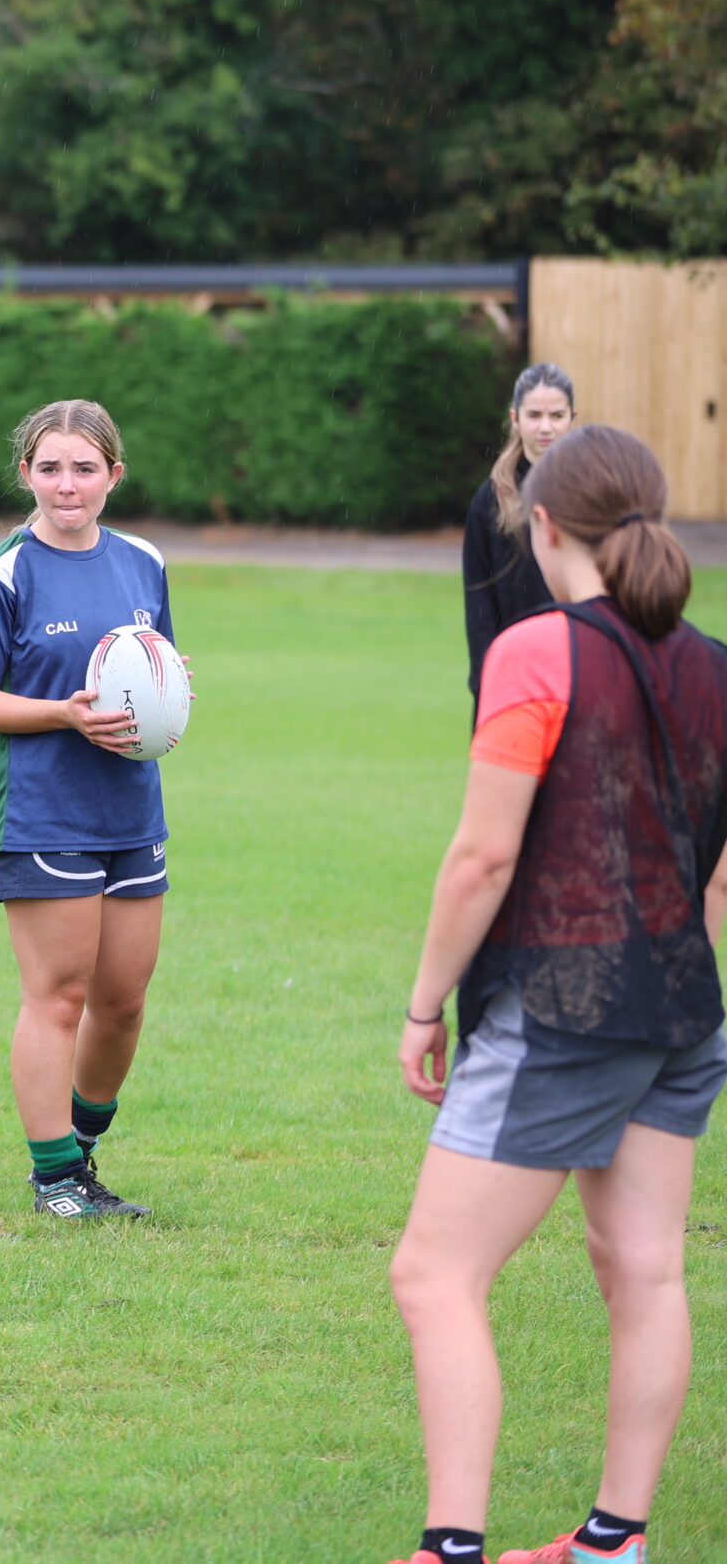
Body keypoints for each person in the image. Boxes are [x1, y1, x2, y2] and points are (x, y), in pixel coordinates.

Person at [387, 425, 727, 1564]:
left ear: (539, 526)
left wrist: (424, 1002)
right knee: (643, 1273)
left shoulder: (534, 650)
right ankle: (613, 1545)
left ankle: (450, 1550)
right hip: (681, 1009)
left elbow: (481, 859)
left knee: (434, 1275)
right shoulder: (716, 663)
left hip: (564, 1006)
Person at [0, 400, 176, 1220]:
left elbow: (157, 664)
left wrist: (168, 703)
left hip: (131, 809)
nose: (66, 484)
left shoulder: (145, 561)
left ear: (114, 474)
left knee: (123, 999)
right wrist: (64, 714)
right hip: (44, 812)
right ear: (26, 475)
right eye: (50, 468)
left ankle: (81, 1152)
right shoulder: (4, 573)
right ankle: (55, 1179)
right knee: (59, 995)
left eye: (84, 468)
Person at [464, 363, 577, 706]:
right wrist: (487, 684)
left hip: (579, 668)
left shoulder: (592, 494)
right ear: (515, 418)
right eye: (534, 415)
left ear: (573, 417)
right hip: (513, 678)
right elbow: (480, 604)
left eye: (557, 415)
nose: (546, 427)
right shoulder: (490, 501)